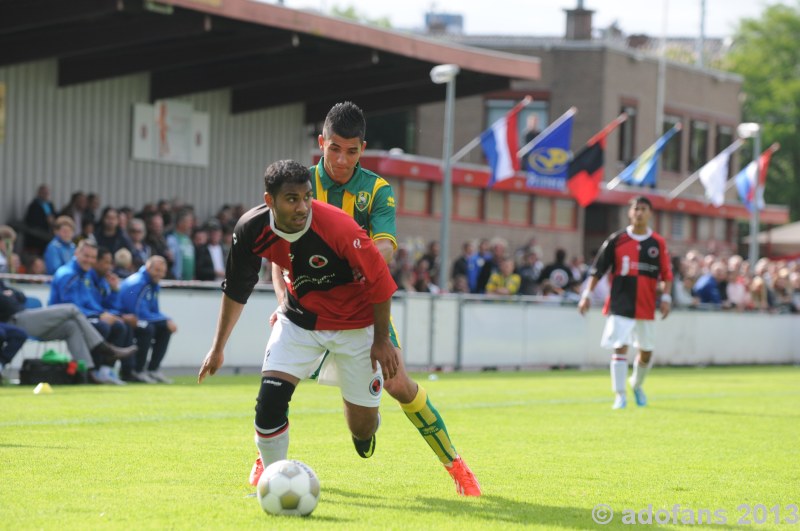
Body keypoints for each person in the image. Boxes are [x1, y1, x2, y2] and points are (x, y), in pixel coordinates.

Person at [287, 101, 480, 496]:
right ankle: (264, 465)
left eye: (352, 151)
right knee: (278, 379)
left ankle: (457, 466)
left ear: (363, 148)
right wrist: (280, 300)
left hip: (361, 309)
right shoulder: (300, 182)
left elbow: (385, 244)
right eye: (334, 149)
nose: (342, 160)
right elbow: (278, 247)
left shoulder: (376, 189)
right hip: (308, 307)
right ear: (321, 143)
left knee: (395, 390)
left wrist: (366, 260)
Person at [198, 159, 400, 491]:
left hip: (355, 325)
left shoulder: (339, 227)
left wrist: (381, 340)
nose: (302, 206)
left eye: (307, 196)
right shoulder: (251, 229)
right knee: (270, 402)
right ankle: (275, 481)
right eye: (292, 199)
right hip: (299, 319)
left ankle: (363, 426)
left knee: (363, 428)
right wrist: (218, 348)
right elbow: (235, 289)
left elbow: (380, 282)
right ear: (270, 201)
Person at [578, 196, 673, 410]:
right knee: (619, 347)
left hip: (646, 305)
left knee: (646, 352)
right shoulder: (617, 240)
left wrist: (666, 297)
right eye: (636, 209)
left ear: (650, 214)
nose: (639, 213)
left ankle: (636, 385)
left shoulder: (657, 243)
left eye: (643, 209)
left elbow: (667, 274)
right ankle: (619, 395)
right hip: (621, 303)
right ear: (630, 213)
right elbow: (598, 269)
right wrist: (586, 294)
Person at [0, 279, 136, 384]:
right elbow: (5, 301)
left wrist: (11, 294)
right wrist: (7, 296)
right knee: (71, 309)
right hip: (15, 321)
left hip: (26, 317)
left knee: (71, 327)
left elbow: (21, 296)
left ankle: (86, 373)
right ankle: (104, 348)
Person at [119, 256, 177, 383]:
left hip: (137, 318)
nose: (160, 274)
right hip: (126, 318)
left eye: (162, 271)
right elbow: (138, 312)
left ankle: (153, 369)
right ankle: (137, 370)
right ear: (148, 268)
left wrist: (166, 320)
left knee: (165, 329)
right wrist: (166, 319)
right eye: (157, 270)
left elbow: (154, 311)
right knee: (147, 329)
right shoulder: (138, 283)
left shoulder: (153, 284)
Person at [23, 184, 56, 256]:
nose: (45, 195)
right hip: (36, 237)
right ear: (39, 193)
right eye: (43, 193)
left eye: (47, 193)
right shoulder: (34, 205)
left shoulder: (50, 204)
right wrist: (46, 220)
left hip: (48, 235)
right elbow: (31, 221)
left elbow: (54, 216)